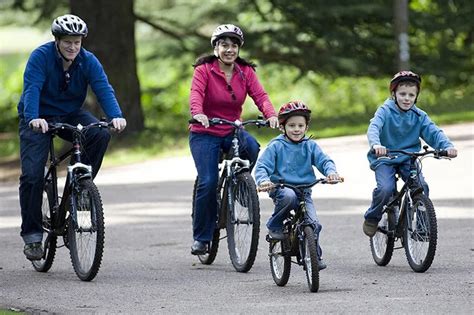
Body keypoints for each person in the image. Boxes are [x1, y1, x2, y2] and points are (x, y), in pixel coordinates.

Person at [17, 14, 127, 260]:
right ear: (57, 40)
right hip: (37, 116)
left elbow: (103, 88)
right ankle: (33, 236)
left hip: (70, 113)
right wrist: (33, 117)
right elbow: (32, 88)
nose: (72, 46)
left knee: (100, 132)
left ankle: (80, 187)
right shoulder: (41, 57)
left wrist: (116, 116)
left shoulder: (88, 61)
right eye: (67, 41)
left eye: (77, 41)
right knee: (33, 175)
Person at [189, 23, 278, 255]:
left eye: (234, 46)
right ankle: (202, 237)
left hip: (231, 130)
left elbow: (260, 95)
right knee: (208, 182)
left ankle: (240, 188)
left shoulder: (245, 71)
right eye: (224, 45)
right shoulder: (204, 70)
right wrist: (198, 113)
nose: (230, 50)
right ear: (216, 47)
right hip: (205, 132)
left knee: (252, 147)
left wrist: (271, 114)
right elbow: (196, 94)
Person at [362, 70, 458, 237]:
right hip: (385, 157)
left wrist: (447, 146)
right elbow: (374, 128)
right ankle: (373, 216)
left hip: (409, 158)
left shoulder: (419, 115)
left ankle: (421, 225)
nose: (407, 98)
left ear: (416, 96)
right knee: (385, 189)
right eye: (402, 94)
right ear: (394, 93)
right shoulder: (385, 110)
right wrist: (376, 144)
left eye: (411, 95)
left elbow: (433, 132)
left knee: (421, 186)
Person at [255, 101, 342, 270]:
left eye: (301, 125)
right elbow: (262, 166)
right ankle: (275, 224)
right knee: (289, 197)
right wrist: (264, 180)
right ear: (282, 127)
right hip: (281, 188)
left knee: (314, 224)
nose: (297, 129)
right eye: (292, 125)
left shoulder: (310, 146)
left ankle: (314, 255)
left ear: (306, 127)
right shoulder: (276, 146)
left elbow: (324, 161)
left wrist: (331, 172)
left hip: (304, 191)